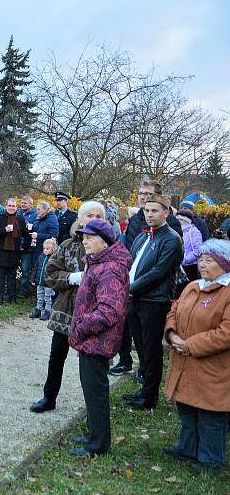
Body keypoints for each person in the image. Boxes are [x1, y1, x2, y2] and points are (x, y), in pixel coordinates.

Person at [30, 200, 106, 413]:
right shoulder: (68, 245)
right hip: (66, 310)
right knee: (57, 356)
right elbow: (50, 274)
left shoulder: (110, 248)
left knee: (91, 364)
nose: (94, 220)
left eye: (99, 216)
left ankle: (94, 411)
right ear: (80, 220)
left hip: (94, 314)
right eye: (89, 216)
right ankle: (49, 397)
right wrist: (74, 277)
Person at [163, 239, 230, 475]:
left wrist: (190, 345)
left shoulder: (227, 292)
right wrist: (171, 334)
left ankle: (211, 459)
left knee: (211, 414)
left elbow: (226, 333)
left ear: (224, 264)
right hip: (185, 361)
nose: (202, 264)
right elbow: (174, 309)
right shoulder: (193, 286)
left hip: (213, 367)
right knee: (187, 408)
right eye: (201, 259)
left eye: (209, 260)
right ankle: (188, 448)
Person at [67, 219, 132, 457]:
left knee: (96, 393)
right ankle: (93, 433)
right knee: (90, 390)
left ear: (104, 242)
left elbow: (109, 311)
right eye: (83, 237)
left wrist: (82, 326)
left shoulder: (111, 269)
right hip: (90, 340)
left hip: (97, 340)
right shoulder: (98, 263)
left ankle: (98, 445)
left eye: (90, 237)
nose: (84, 241)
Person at [122, 193, 184, 410]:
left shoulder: (172, 239)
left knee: (151, 349)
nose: (149, 214)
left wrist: (129, 289)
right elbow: (131, 265)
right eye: (147, 210)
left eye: (155, 210)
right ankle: (144, 390)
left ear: (166, 213)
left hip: (154, 301)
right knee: (140, 347)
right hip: (135, 299)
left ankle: (150, 397)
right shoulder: (142, 236)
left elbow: (159, 272)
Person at [123, 179, 182, 250]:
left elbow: (173, 251)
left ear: (158, 197)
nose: (142, 197)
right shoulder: (133, 220)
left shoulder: (170, 221)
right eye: (140, 193)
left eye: (147, 194)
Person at [0, 198, 27, 305]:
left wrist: (24, 245)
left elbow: (24, 234)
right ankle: (0, 297)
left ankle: (12, 297)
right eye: (9, 206)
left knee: (12, 276)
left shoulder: (20, 219)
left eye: (13, 206)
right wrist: (4, 230)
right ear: (6, 206)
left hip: (14, 252)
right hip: (0, 252)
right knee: (0, 276)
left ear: (16, 207)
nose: (11, 208)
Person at [29, 238, 57, 321]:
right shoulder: (41, 257)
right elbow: (36, 268)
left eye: (47, 249)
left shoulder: (54, 259)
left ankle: (48, 311)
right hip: (40, 282)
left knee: (48, 298)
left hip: (48, 283)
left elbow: (55, 272)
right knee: (39, 296)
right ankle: (38, 310)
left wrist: (52, 280)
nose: (45, 250)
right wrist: (33, 279)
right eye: (44, 248)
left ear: (53, 249)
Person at [18, 195, 38, 298]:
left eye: (25, 203)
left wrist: (26, 226)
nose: (23, 204)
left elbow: (34, 227)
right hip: (17, 245)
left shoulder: (35, 214)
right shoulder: (19, 213)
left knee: (26, 270)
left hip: (28, 247)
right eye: (22, 202)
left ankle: (23, 291)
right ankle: (14, 287)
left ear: (30, 204)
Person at [177, 213, 203, 282]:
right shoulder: (177, 231)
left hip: (190, 266)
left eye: (180, 220)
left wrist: (185, 260)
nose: (178, 221)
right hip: (178, 265)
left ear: (186, 221)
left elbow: (198, 250)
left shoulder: (194, 232)